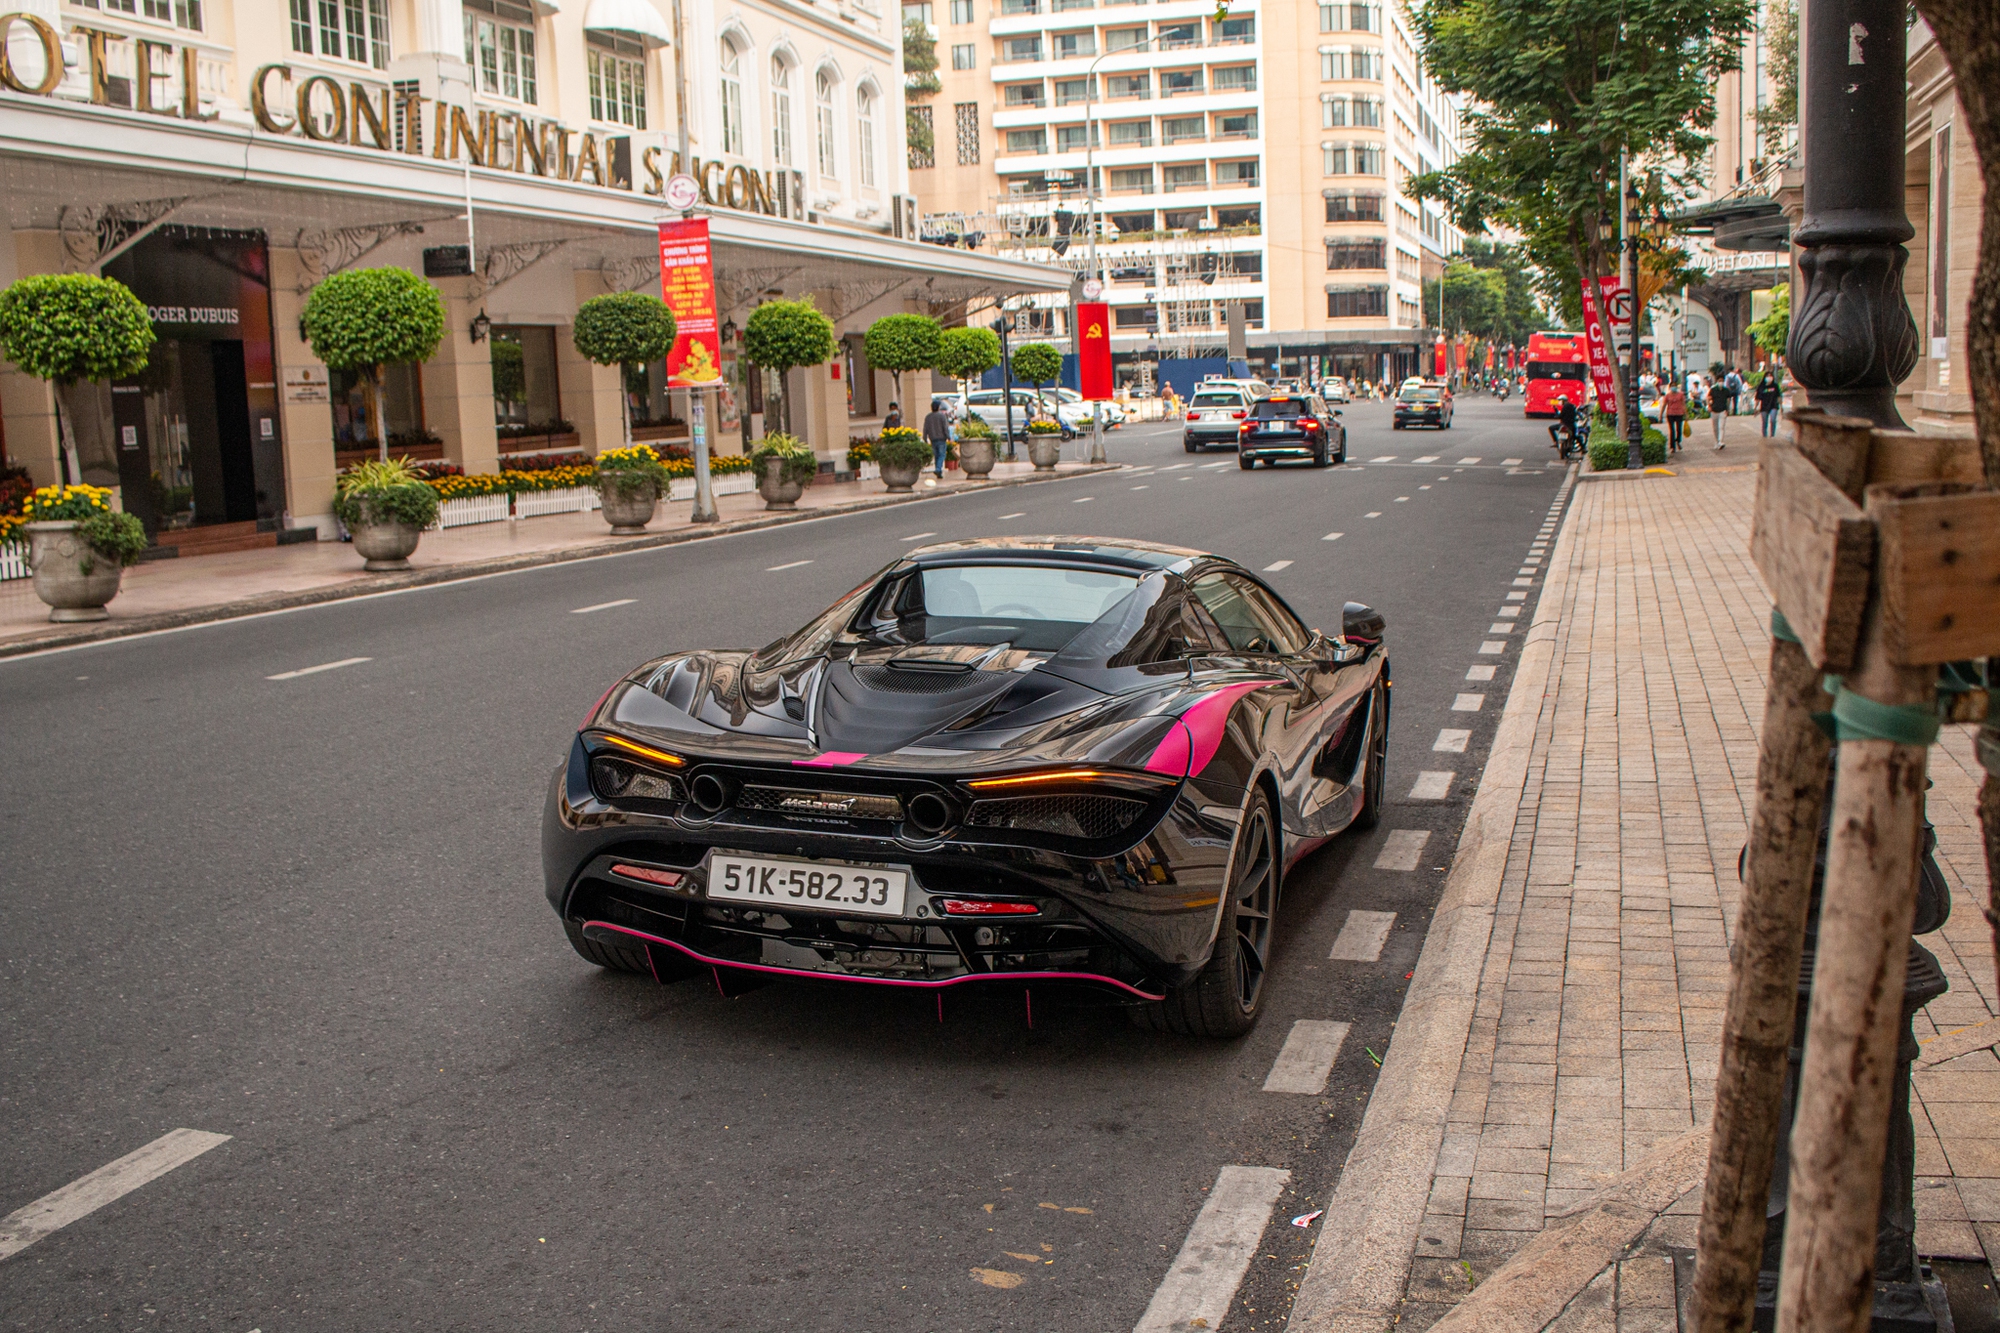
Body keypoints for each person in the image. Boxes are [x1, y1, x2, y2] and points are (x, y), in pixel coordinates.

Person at [921, 397, 953, 480]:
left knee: (936, 456)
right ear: (938, 407)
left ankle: (939, 472)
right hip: (941, 438)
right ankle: (938, 469)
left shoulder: (928, 417)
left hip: (932, 438)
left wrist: (925, 438)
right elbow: (945, 428)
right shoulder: (942, 416)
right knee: (941, 455)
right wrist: (949, 437)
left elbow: (925, 428)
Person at [1756, 369, 1784, 437]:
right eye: (1767, 376)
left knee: (1773, 420)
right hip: (1764, 406)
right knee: (1764, 422)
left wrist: (1781, 406)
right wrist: (1755, 407)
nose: (1769, 377)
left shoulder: (1775, 386)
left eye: (1770, 376)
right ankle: (1764, 435)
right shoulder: (1761, 387)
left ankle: (1772, 435)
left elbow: (1778, 396)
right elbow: (1758, 398)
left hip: (1773, 405)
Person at [1662, 380, 1687, 454]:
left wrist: (1686, 414)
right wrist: (1661, 415)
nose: (1674, 387)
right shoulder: (1667, 396)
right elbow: (1664, 405)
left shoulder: (1681, 394)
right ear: (1670, 387)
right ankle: (1672, 446)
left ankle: (1678, 441)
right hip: (1670, 413)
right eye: (1672, 386)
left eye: (1674, 386)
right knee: (1672, 430)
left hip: (1679, 413)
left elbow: (1683, 404)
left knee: (1679, 429)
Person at [1707, 377, 1730, 448]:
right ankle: (1716, 441)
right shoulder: (1713, 390)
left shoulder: (1726, 390)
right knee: (1715, 428)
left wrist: (1727, 409)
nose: (1721, 382)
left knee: (1721, 427)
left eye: (1722, 381)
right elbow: (1708, 398)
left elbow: (1728, 400)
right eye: (1720, 381)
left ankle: (1721, 441)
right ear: (1717, 381)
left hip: (1723, 410)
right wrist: (1709, 406)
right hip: (1714, 410)